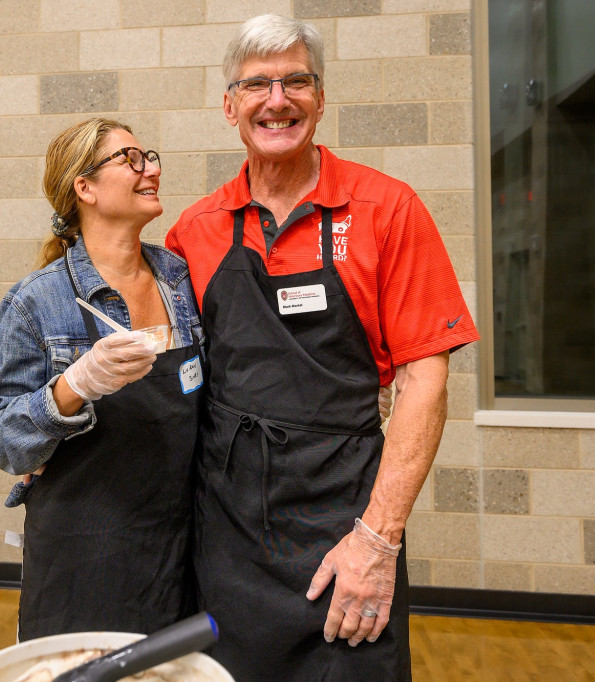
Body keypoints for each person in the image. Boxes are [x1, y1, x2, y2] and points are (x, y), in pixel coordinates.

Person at [165, 15, 479, 681]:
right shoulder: (194, 232)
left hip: (344, 517)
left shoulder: (387, 210)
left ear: (321, 97)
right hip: (228, 530)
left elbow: (425, 383)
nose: (276, 100)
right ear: (230, 107)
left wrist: (377, 539)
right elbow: (171, 385)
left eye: (294, 82)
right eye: (255, 86)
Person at [0, 118, 204, 641]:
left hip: (179, 546)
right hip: (82, 557)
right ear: (85, 188)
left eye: (147, 156)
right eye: (129, 160)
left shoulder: (180, 279)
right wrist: (74, 385)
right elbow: (1, 442)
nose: (150, 169)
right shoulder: (36, 302)